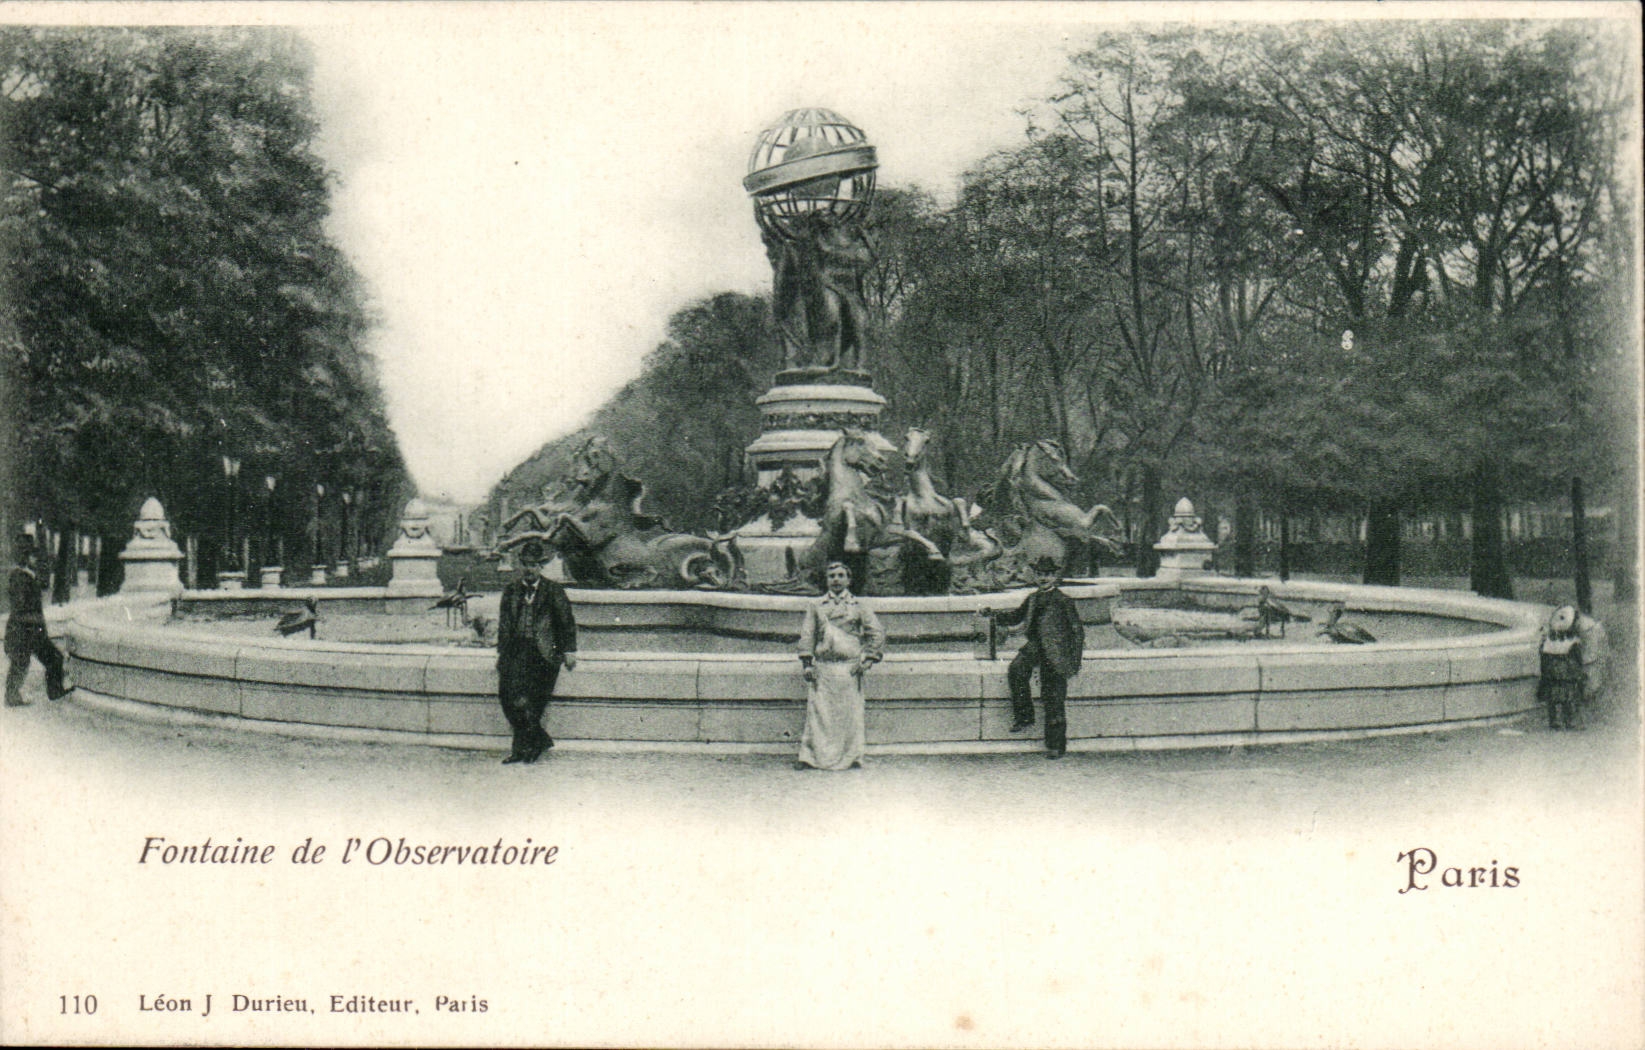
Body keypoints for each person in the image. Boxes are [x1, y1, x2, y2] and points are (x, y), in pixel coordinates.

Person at [984, 554, 1084, 759]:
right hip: (1036, 646)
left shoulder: (1063, 600)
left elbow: (1077, 631)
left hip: (1056, 651)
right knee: (1016, 669)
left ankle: (1056, 745)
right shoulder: (1032, 598)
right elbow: (1015, 617)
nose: (1043, 578)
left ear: (1055, 576)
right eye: (1040, 574)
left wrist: (1074, 660)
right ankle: (1025, 716)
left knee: (1053, 696)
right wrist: (993, 614)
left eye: (1047, 574)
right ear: (1035, 576)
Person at [795, 560, 883, 770]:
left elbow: (877, 633)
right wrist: (807, 663)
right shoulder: (816, 606)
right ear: (826, 580)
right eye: (831, 576)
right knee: (819, 714)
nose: (836, 580)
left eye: (840, 576)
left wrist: (868, 659)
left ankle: (851, 756)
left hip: (849, 669)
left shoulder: (859, 606)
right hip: (824, 668)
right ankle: (812, 757)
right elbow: (808, 635)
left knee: (849, 715)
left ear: (848, 579)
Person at [496, 539, 577, 764]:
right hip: (515, 651)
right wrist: (501, 649)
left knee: (532, 702)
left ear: (541, 566)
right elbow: (504, 623)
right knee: (508, 698)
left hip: (543, 653)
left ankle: (522, 749)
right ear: (520, 565)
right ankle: (539, 741)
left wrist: (570, 650)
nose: (529, 569)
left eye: (534, 565)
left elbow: (566, 622)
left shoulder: (553, 590)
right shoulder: (511, 590)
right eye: (525, 564)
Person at [6, 533, 68, 707]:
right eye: (25, 551)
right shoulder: (19, 575)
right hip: (24, 629)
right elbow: (20, 604)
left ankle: (53, 691)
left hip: (30, 629)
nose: (28, 555)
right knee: (23, 662)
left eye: (28, 551)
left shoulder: (27, 572)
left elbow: (42, 586)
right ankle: (13, 696)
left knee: (49, 659)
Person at [1538, 604, 1585, 730]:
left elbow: (1543, 656)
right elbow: (1578, 659)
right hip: (1567, 673)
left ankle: (1554, 721)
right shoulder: (1573, 643)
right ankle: (1569, 721)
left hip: (1551, 673)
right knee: (1568, 698)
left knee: (1553, 699)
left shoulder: (1547, 641)